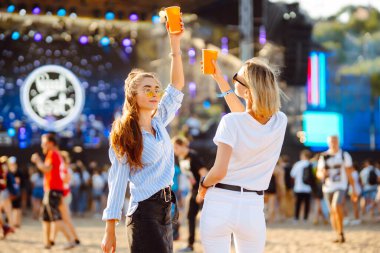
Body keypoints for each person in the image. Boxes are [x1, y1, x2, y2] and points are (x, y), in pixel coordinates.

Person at [101, 19, 185, 253]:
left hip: (167, 210)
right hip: (144, 213)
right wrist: (110, 229)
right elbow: (117, 181)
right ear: (132, 95)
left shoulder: (159, 121)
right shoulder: (125, 132)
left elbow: (177, 85)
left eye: (156, 88)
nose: (154, 93)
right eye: (146, 89)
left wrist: (174, 43)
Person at [198, 58, 287, 253]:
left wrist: (203, 185)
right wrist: (221, 79)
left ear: (248, 91)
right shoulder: (280, 121)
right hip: (253, 206)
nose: (234, 80)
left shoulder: (230, 122)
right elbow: (245, 119)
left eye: (237, 78)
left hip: (220, 200)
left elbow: (219, 171)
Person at [31, 133, 76, 249]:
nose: (42, 145)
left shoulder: (52, 154)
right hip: (52, 190)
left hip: (53, 190)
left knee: (55, 218)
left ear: (50, 143)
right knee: (46, 218)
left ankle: (71, 240)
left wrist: (37, 161)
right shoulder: (56, 154)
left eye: (44, 142)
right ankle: (46, 243)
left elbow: (46, 169)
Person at [316, 135, 358, 243]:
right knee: (332, 212)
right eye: (331, 141)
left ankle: (341, 232)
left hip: (341, 186)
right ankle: (337, 233)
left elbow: (349, 173)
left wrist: (354, 189)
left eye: (335, 141)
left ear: (338, 142)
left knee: (336, 205)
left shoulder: (344, 155)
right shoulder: (324, 156)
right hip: (327, 187)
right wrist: (322, 174)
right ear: (328, 143)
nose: (333, 143)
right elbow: (318, 173)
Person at [173, 136, 208, 252]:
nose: (175, 151)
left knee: (207, 218)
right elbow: (189, 176)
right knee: (190, 217)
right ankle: (190, 245)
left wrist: (201, 193)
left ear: (183, 145)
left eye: (176, 147)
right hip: (193, 191)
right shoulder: (180, 159)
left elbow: (204, 174)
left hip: (204, 191)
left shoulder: (194, 156)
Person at [291, 150, 313, 223]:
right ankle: (305, 219)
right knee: (307, 204)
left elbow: (292, 175)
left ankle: (296, 218)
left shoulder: (298, 164)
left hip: (298, 187)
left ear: (302, 156)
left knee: (298, 204)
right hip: (308, 188)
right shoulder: (310, 164)